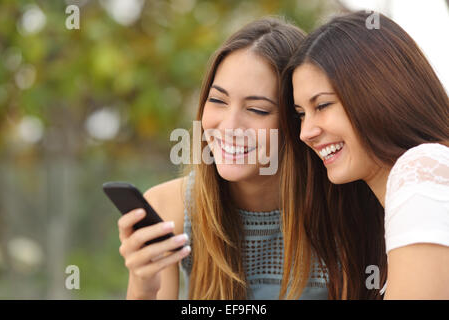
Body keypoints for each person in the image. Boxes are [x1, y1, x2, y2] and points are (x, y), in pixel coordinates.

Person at [117, 17, 329, 300]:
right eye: (217, 101)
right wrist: (143, 285)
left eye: (257, 109)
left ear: (297, 118)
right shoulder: (172, 207)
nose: (229, 127)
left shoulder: (338, 206)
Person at [280, 11, 449, 299]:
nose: (305, 132)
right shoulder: (376, 214)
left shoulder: (422, 169)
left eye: (322, 105)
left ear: (379, 93)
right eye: (300, 115)